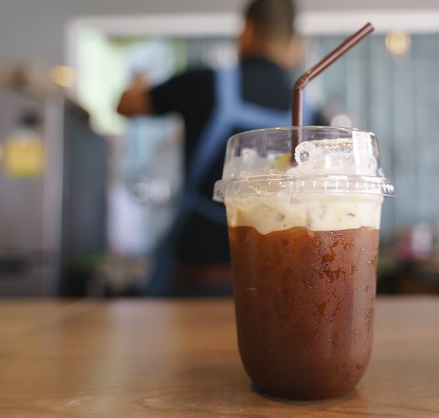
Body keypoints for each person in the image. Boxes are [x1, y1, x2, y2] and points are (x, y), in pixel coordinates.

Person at [117, 0, 326, 297]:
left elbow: (126, 105)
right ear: (294, 46)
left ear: (246, 32)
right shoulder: (312, 115)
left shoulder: (202, 83)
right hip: (275, 271)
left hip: (198, 268)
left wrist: (137, 84)